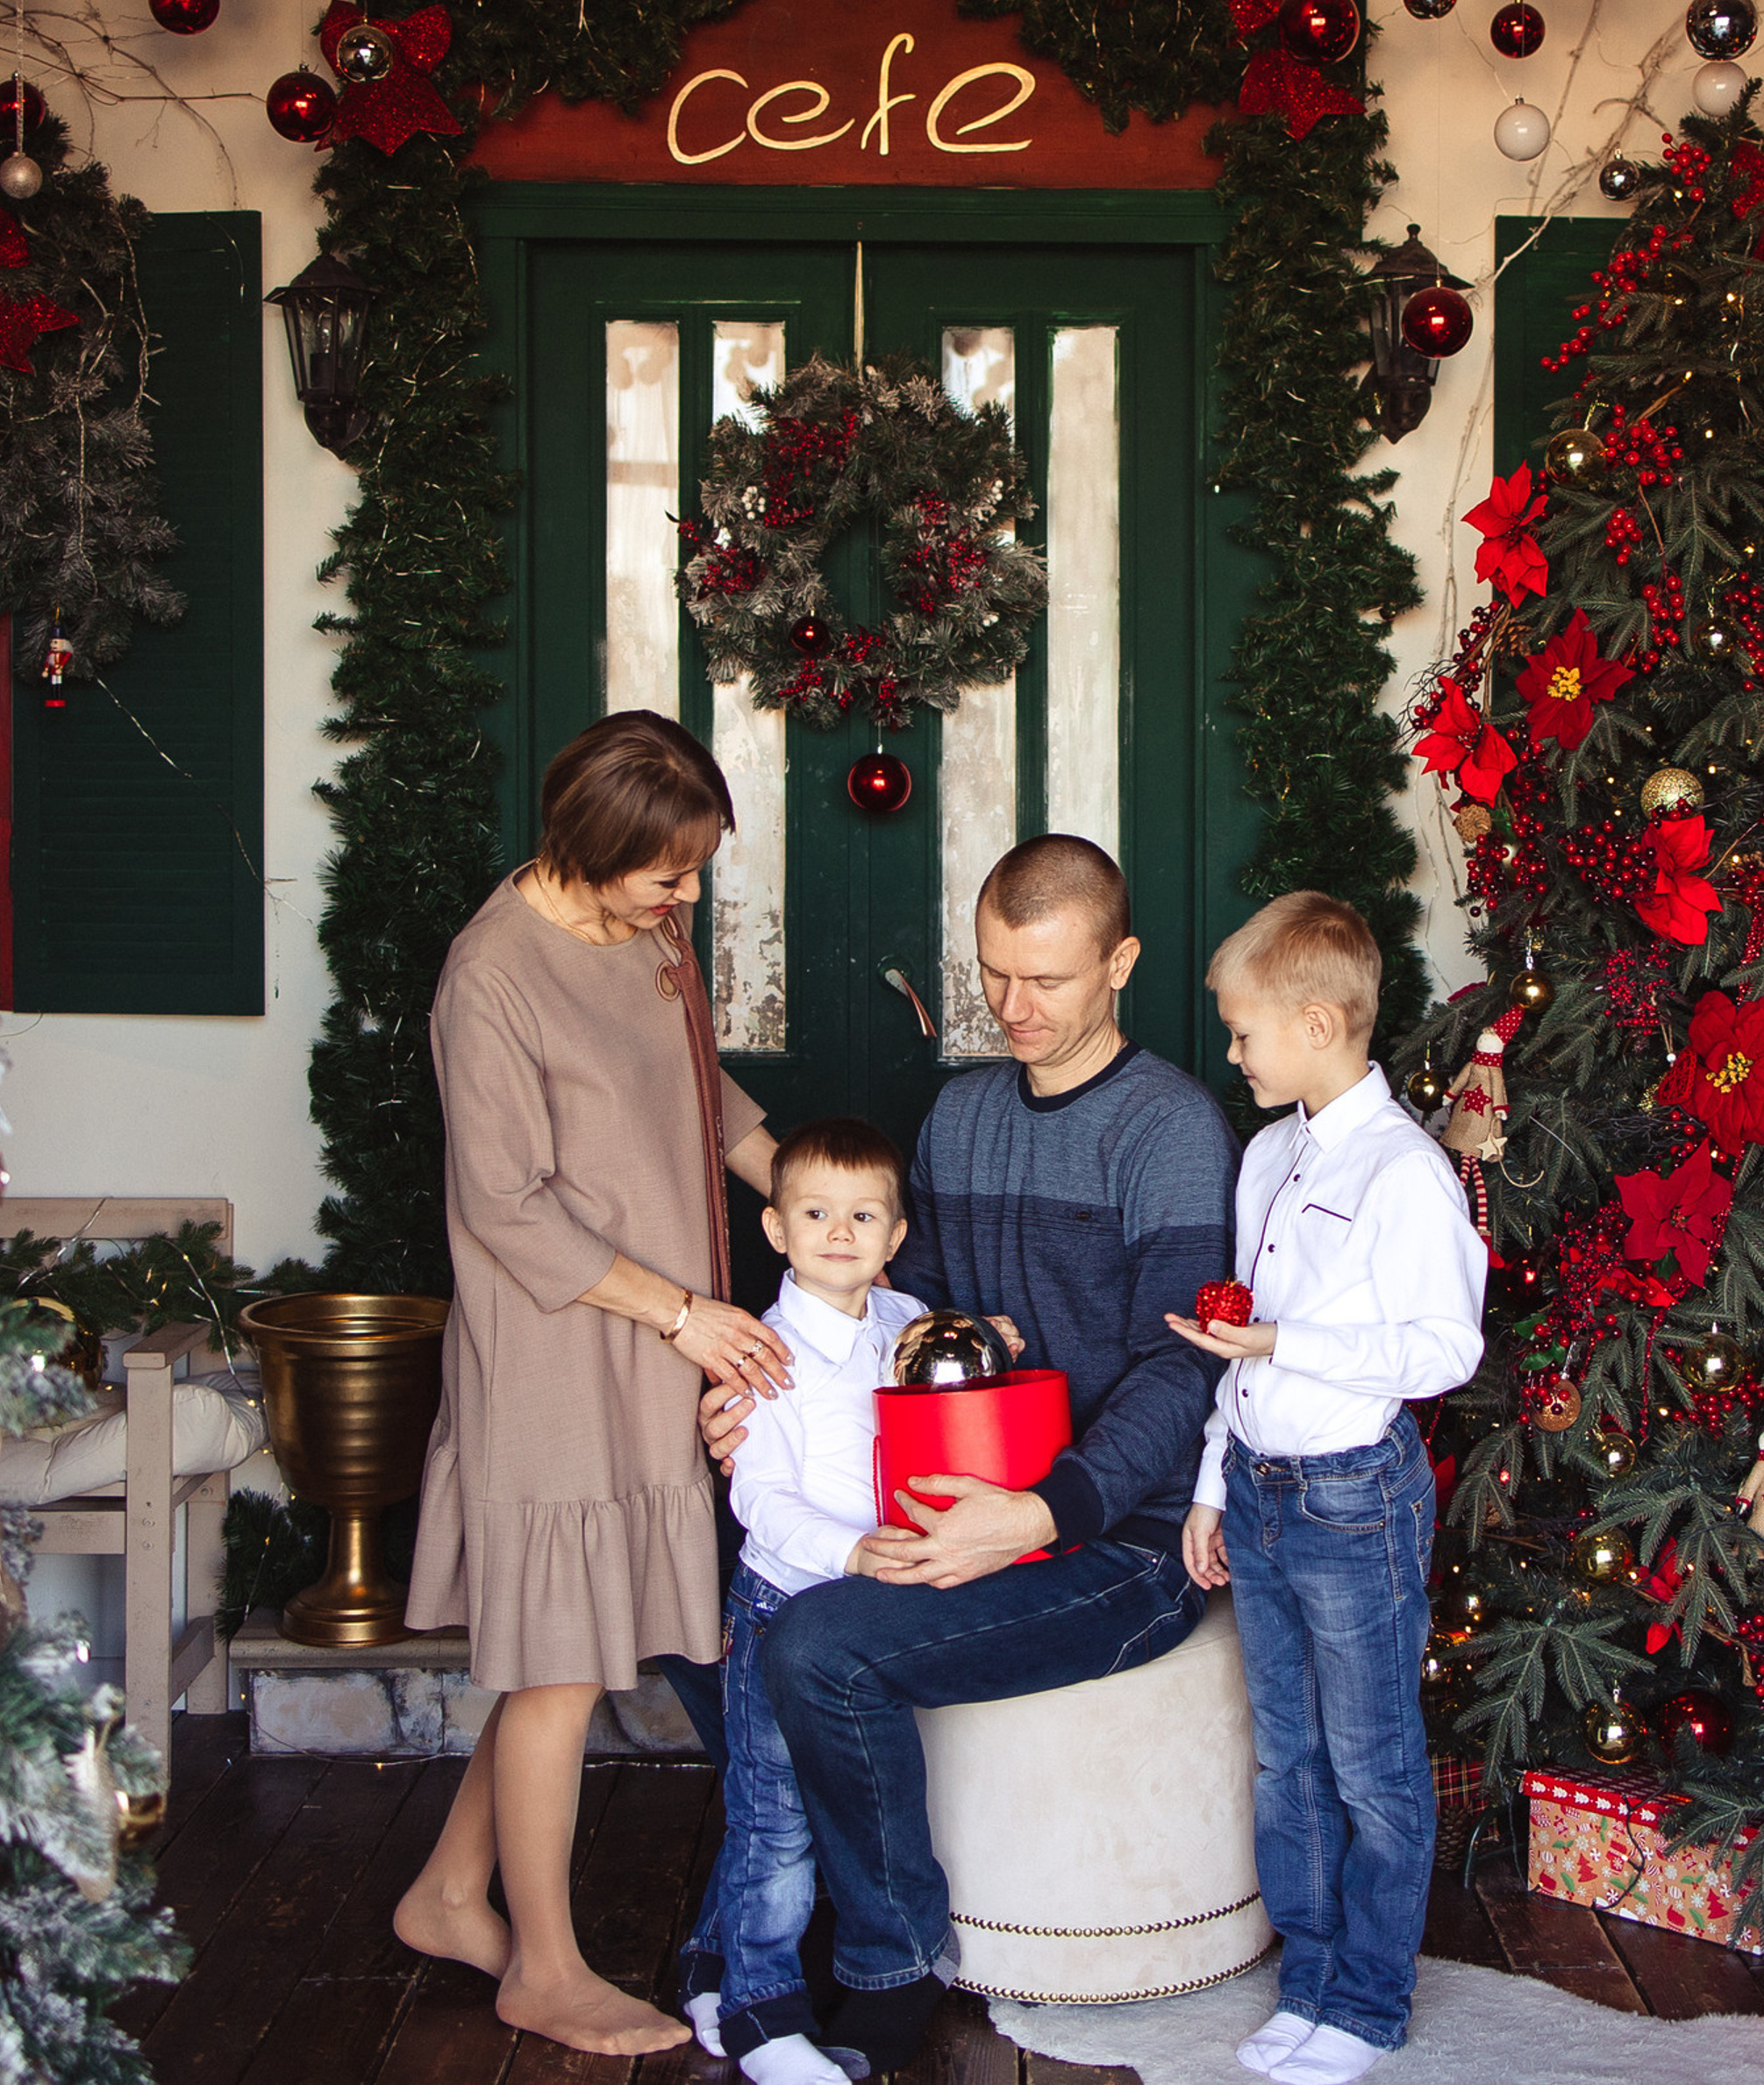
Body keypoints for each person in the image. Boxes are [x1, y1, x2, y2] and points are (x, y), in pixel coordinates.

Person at [700, 834, 1238, 2074]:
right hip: (952, 1499)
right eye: (994, 974)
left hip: (1121, 1540)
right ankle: (739, 1952)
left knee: (820, 1649)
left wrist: (1042, 1513)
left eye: (1046, 979)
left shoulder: (1170, 1130)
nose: (1013, 1008)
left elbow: (1186, 1366)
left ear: (1122, 964)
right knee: (728, 1611)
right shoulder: (962, 1112)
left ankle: (884, 1962)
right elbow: (887, 1323)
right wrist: (758, 1404)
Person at [394, 711, 795, 2060]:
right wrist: (686, 1313)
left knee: (561, 1651)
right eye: (667, 877)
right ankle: (543, 1970)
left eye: (695, 873)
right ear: (585, 846)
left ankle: (453, 1895)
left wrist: (792, 1192)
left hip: (653, 1327)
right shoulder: (490, 976)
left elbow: (693, 1087)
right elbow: (505, 1207)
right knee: (562, 1664)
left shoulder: (650, 935)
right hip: (561, 1343)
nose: (688, 900)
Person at [1174, 892, 1484, 2085]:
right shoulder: (1268, 1156)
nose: (1235, 1052)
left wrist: (1288, 1350)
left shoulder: (1406, 1172)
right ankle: (1305, 1984)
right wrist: (1213, 1483)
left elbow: (1444, 1350)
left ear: (1315, 1022)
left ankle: (1366, 2002)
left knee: (1370, 1763)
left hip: (1357, 1499)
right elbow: (1242, 1342)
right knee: (1286, 1757)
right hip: (1258, 1490)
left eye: (1245, 1032)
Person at [677, 1117, 929, 2085]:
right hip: (789, 1605)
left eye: (863, 1214)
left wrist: (985, 1338)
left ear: (894, 1234)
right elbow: (760, 1500)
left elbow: (938, 1384)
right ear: (776, 1228)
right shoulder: (766, 1352)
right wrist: (852, 1550)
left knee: (787, 1807)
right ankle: (760, 2015)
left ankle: (710, 1965)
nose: (839, 1231)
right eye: (816, 1213)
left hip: (866, 1621)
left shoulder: (902, 1319)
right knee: (774, 1815)